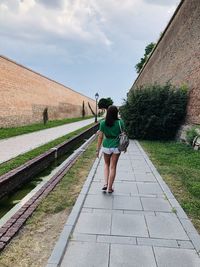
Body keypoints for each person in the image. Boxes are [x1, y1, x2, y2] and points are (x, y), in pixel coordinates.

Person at [96, 105, 125, 193]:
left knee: (106, 165)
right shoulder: (120, 122)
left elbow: (100, 137)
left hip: (106, 146)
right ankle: (110, 188)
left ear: (107, 112)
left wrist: (97, 150)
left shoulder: (102, 123)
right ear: (116, 113)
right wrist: (124, 147)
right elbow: (123, 136)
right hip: (116, 147)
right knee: (113, 167)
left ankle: (105, 184)